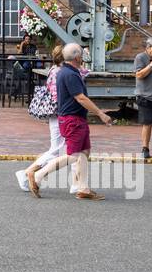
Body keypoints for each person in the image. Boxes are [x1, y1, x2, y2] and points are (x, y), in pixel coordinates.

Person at [29, 43, 112, 200]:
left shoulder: (66, 71)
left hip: (75, 118)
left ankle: (83, 188)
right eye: (82, 54)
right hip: (72, 119)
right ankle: (38, 175)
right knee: (73, 155)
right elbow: (80, 97)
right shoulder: (70, 74)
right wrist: (101, 113)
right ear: (78, 57)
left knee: (84, 152)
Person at [18, 45, 67, 193]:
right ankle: (27, 173)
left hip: (56, 114)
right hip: (59, 113)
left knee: (60, 150)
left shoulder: (55, 69)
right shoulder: (59, 72)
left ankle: (29, 173)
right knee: (56, 150)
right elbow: (57, 95)